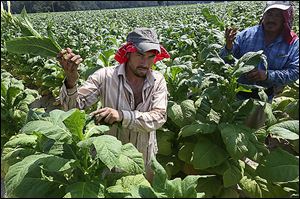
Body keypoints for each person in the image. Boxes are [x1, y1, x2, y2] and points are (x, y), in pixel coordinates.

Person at [57, 27, 170, 181]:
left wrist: (121, 116)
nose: (145, 63)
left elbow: (159, 117)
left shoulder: (158, 80)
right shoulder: (105, 76)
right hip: (110, 160)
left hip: (145, 158)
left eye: (151, 57)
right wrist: (71, 80)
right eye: (140, 55)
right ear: (128, 53)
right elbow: (73, 109)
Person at [220, 1, 299, 103]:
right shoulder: (246, 35)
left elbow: (295, 72)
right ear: (263, 15)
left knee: (259, 119)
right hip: (236, 95)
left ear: (285, 19)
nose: (271, 19)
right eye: (269, 14)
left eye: (277, 16)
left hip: (265, 99)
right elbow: (224, 61)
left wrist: (267, 75)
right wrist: (228, 46)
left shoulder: (292, 42)